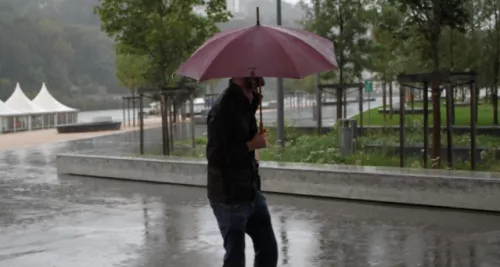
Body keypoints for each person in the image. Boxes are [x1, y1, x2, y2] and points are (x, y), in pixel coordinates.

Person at [206, 77, 278, 267]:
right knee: (236, 258)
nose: (262, 76)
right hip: (229, 197)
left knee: (268, 250)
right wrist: (251, 145)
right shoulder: (222, 110)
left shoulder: (247, 104)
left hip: (251, 192)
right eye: (255, 71)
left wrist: (254, 145)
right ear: (240, 73)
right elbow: (215, 156)